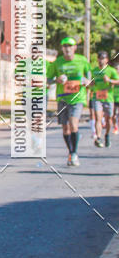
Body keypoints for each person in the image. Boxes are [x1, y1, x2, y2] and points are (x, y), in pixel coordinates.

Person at [46, 37, 91, 166]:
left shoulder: (82, 61)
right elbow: (48, 80)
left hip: (77, 98)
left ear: (75, 48)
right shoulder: (57, 62)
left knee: (73, 124)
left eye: (70, 46)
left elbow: (90, 79)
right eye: (64, 46)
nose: (67, 48)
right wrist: (56, 80)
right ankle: (70, 152)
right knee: (65, 129)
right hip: (62, 98)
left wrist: (87, 82)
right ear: (62, 48)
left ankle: (74, 153)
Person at [88, 50, 119, 148]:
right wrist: (90, 84)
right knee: (98, 117)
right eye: (99, 58)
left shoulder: (111, 70)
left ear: (106, 60)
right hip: (97, 97)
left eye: (103, 58)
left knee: (109, 118)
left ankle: (107, 135)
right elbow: (92, 82)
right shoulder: (95, 70)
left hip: (108, 98)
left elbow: (118, 81)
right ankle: (98, 137)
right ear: (97, 59)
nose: (101, 60)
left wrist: (109, 80)